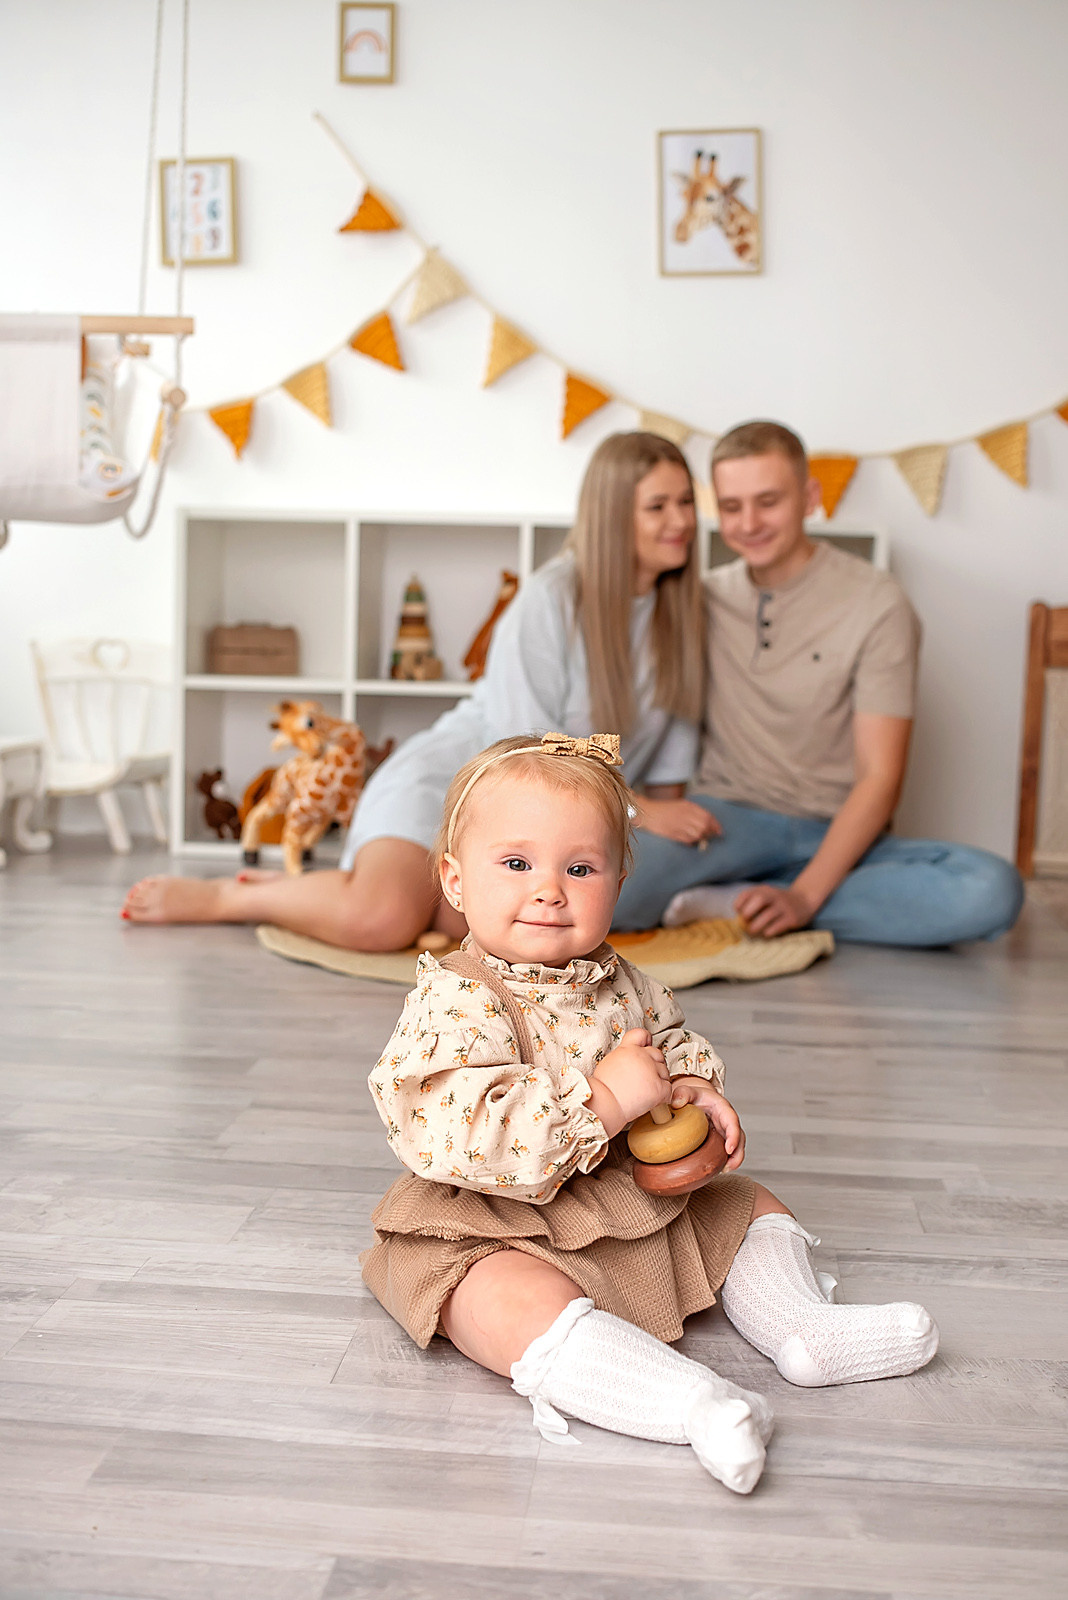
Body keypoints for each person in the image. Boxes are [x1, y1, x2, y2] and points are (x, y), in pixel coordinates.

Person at [363, 733, 940, 1494]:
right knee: (496, 1300)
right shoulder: (456, 1001)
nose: (549, 890)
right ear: (455, 879)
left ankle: (805, 1327)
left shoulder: (621, 980)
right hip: (494, 1214)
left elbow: (672, 1043)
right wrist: (603, 1102)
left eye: (580, 868)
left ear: (619, 879)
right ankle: (690, 1402)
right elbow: (459, 1130)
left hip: (621, 1187)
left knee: (746, 1203)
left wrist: (694, 1090)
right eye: (516, 864)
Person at [122, 432, 718, 946]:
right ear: (613, 515)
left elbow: (668, 774)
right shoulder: (551, 599)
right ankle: (236, 896)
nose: (682, 522)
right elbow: (525, 751)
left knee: (479, 922)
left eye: (687, 502)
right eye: (658, 506)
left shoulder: (683, 617)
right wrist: (639, 809)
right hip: (462, 778)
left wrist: (653, 817)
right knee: (381, 921)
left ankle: (336, 890)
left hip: (545, 825)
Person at [614, 420, 1025, 945]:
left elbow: (881, 777)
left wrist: (806, 894)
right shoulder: (699, 598)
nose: (750, 523)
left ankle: (745, 899)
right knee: (603, 887)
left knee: (991, 890)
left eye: (769, 501)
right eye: (732, 506)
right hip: (725, 823)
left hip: (837, 829)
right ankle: (760, 892)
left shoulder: (877, 603)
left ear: (810, 497)